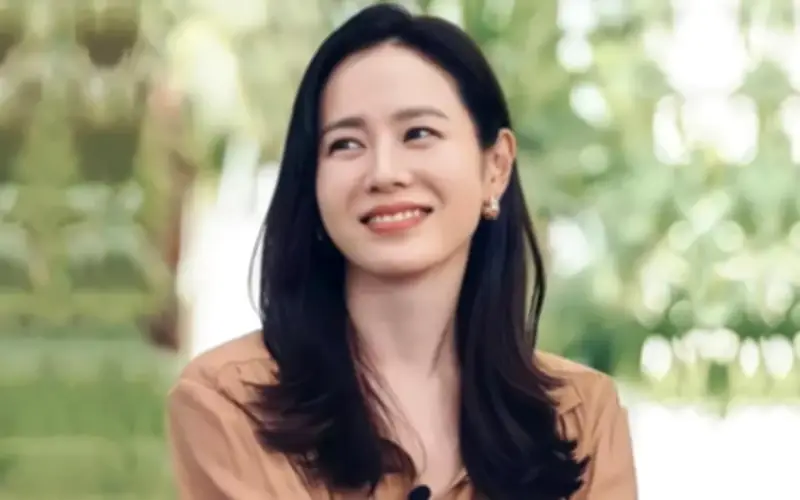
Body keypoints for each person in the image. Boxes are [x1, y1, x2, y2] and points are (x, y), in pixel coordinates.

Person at [167, 4, 637, 499]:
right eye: (346, 144)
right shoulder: (229, 403)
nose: (384, 172)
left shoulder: (581, 416)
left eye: (419, 134)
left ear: (496, 167)